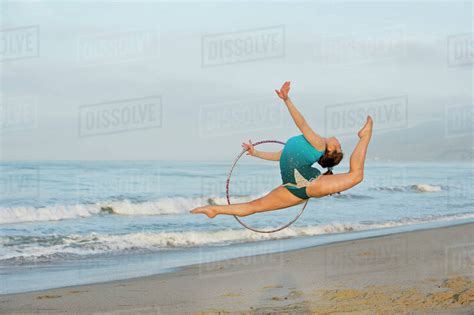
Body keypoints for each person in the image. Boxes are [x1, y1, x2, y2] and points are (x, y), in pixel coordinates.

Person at [191, 81, 373, 218]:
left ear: (331, 150)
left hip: (307, 185)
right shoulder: (310, 147)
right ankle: (214, 210)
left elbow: (301, 123)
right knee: (254, 206)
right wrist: (255, 153)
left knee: (357, 175)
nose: (338, 142)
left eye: (339, 147)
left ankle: (365, 136)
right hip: (292, 188)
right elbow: (282, 157)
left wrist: (287, 100)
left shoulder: (319, 144)